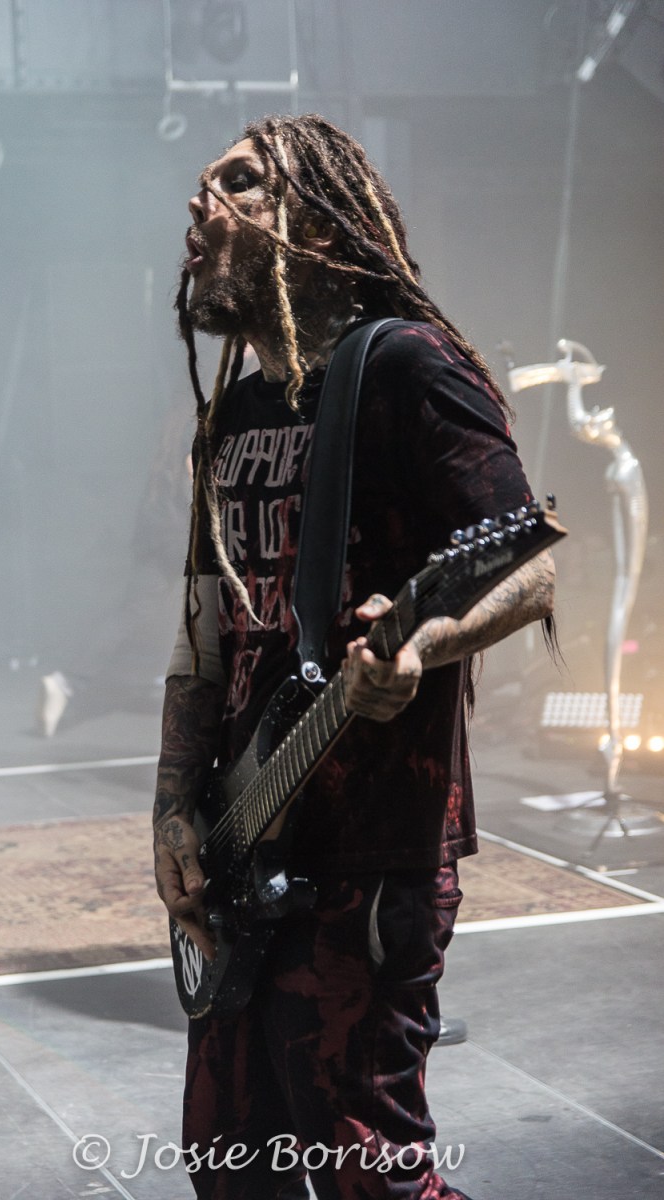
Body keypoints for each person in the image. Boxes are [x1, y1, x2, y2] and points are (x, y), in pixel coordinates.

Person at [152, 114, 556, 1200]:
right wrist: (175, 809)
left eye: (240, 181)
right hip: (246, 836)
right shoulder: (230, 416)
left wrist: (426, 642)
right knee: (229, 1165)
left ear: (318, 223)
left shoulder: (408, 368)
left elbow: (529, 570)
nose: (201, 202)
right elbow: (203, 630)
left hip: (372, 844)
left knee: (366, 1172)